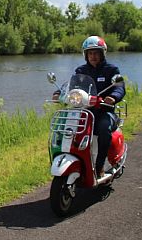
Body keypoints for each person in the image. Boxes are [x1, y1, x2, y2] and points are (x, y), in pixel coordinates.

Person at [53, 36, 125, 178]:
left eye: (96, 53)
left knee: (104, 130)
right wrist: (59, 93)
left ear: (102, 53)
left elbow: (119, 86)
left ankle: (99, 166)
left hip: (104, 111)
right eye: (90, 53)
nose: (93, 56)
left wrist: (113, 97)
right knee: (67, 129)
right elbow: (70, 85)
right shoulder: (81, 70)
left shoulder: (111, 69)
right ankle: (76, 160)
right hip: (83, 111)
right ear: (85, 55)